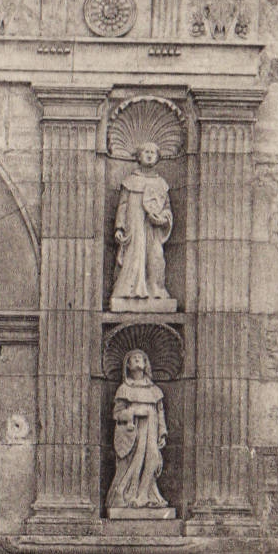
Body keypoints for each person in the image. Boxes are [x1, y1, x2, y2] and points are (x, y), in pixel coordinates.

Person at [110, 141, 174, 308]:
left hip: (153, 228)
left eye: (153, 152)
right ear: (138, 156)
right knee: (134, 256)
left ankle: (156, 289)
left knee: (156, 256)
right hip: (135, 225)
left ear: (158, 157)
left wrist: (163, 219)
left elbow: (166, 208)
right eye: (146, 151)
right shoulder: (130, 181)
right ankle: (130, 291)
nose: (150, 154)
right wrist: (119, 227)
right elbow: (123, 206)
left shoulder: (161, 183)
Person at [107, 348, 169, 514]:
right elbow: (117, 413)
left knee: (153, 458)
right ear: (127, 365)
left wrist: (162, 432)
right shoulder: (124, 388)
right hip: (135, 432)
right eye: (133, 358)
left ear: (146, 363)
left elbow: (160, 411)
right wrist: (133, 413)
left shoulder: (154, 390)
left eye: (140, 357)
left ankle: (145, 494)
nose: (137, 359)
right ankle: (131, 494)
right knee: (137, 461)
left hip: (152, 427)